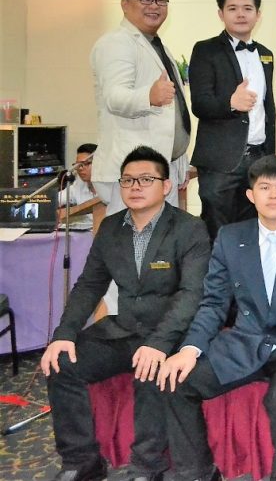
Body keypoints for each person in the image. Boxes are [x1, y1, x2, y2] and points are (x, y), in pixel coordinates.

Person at [158, 155, 276, 481]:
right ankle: (197, 472)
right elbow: (214, 303)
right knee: (176, 381)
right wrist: (189, 349)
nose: (273, 195)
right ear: (251, 195)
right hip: (245, 342)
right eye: (264, 187)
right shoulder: (230, 237)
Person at [41, 145, 210, 481]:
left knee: (150, 370)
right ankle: (81, 460)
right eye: (128, 180)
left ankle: (148, 466)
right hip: (123, 329)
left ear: (165, 186)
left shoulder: (189, 228)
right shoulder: (111, 228)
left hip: (170, 335)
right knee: (61, 362)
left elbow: (192, 293)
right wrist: (64, 334)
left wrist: (159, 343)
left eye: (146, 179)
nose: (135, 186)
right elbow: (89, 286)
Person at [90, 0, 191, 214]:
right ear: (125, 4)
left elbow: (172, 115)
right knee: (131, 238)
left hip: (160, 169)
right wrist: (149, 97)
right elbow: (114, 97)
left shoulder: (156, 44)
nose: (154, 6)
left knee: (161, 237)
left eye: (161, 0)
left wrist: (180, 159)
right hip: (132, 173)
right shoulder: (117, 43)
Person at [189, 0, 276, 240]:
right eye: (233, 8)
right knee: (217, 232)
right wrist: (230, 103)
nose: (241, 14)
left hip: (258, 158)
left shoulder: (266, 54)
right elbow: (200, 103)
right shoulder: (205, 50)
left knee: (253, 231)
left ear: (258, 15)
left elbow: (268, 109)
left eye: (247, 8)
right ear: (221, 13)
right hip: (221, 162)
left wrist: (270, 157)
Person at [57, 143, 103, 232]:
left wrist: (69, 212)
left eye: (86, 163)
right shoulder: (79, 183)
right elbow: (58, 199)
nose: (80, 168)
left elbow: (101, 201)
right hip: (85, 234)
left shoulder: (111, 184)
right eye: (77, 165)